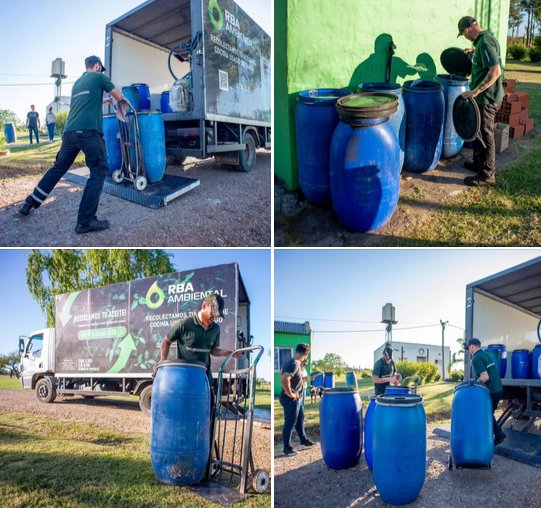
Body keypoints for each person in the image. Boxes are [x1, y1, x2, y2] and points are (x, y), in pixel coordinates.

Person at [19, 55, 125, 234]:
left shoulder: (77, 83)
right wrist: (118, 99)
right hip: (89, 132)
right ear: (98, 66)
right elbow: (118, 95)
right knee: (99, 171)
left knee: (58, 168)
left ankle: (30, 202)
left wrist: (102, 101)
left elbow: (86, 102)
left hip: (69, 134)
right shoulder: (100, 77)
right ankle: (85, 221)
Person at [155, 292, 239, 390]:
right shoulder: (184, 324)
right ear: (204, 305)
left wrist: (226, 352)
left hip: (204, 378)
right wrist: (163, 359)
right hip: (185, 378)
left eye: (216, 316)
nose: (214, 318)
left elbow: (213, 350)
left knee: (209, 404)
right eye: (212, 314)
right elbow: (166, 341)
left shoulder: (215, 329)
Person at [457, 16, 504, 187]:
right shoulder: (484, 41)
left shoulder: (484, 43)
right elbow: (485, 60)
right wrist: (472, 52)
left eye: (463, 34)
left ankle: (487, 175)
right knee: (477, 131)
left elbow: (495, 71)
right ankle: (479, 163)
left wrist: (475, 92)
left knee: (486, 134)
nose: (465, 37)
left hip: (488, 97)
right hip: (484, 97)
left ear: (467, 30)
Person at [467, 338, 506, 445]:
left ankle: (498, 435)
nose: (469, 351)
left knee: (486, 414)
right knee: (488, 413)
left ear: (472, 346)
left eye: (469, 348)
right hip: (498, 389)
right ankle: (496, 435)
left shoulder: (476, 358)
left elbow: (485, 377)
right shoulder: (485, 355)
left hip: (492, 390)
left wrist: (474, 384)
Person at [279, 343, 315, 456]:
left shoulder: (293, 363)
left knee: (300, 419)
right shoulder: (294, 363)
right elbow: (284, 378)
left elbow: (282, 373)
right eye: (307, 355)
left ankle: (303, 440)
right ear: (306, 353)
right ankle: (287, 448)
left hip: (297, 398)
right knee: (290, 423)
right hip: (291, 400)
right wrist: (291, 394)